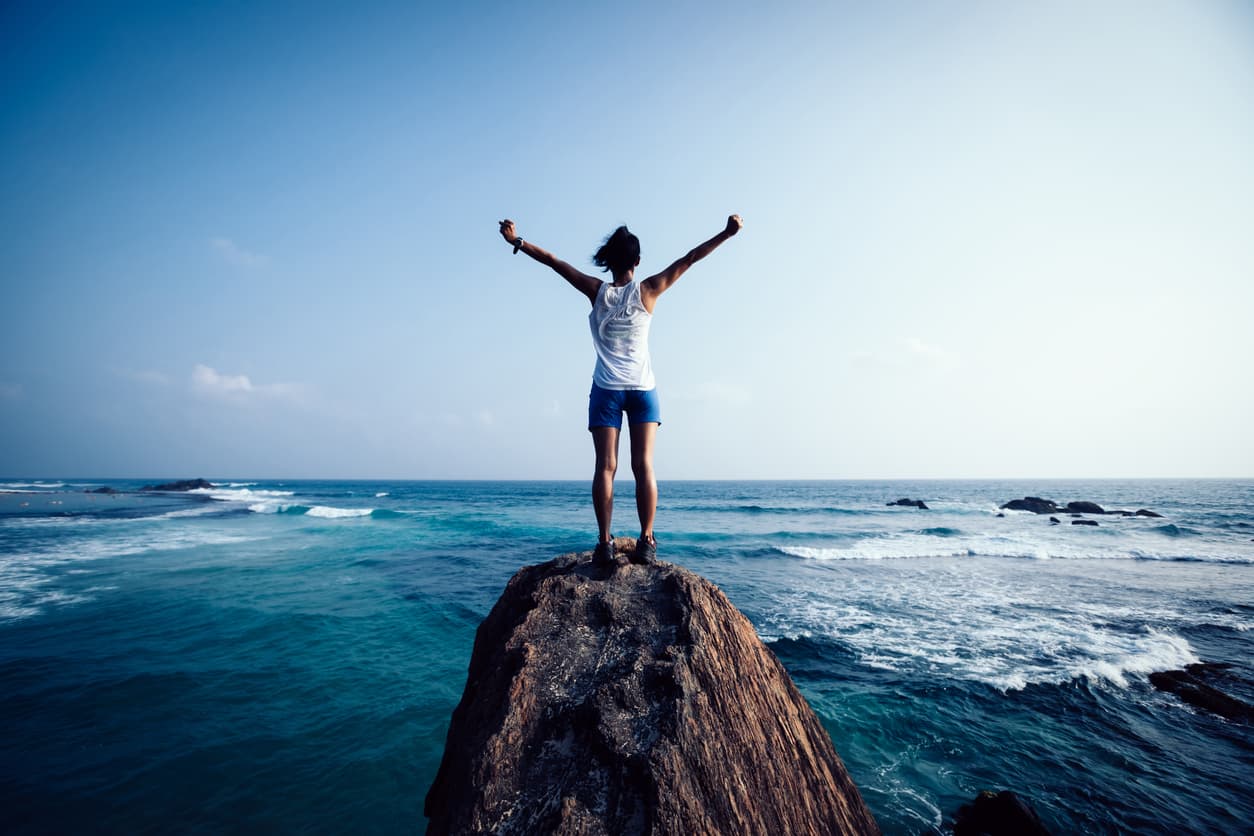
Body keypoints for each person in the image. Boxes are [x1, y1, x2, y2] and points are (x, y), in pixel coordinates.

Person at [497, 214, 744, 567]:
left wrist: (517, 241)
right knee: (644, 466)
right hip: (643, 389)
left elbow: (554, 263)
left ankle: (604, 542)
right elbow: (690, 258)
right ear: (637, 262)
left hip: (606, 390)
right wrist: (727, 233)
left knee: (606, 467)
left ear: (609, 261)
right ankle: (646, 539)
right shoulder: (649, 289)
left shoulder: (596, 291)